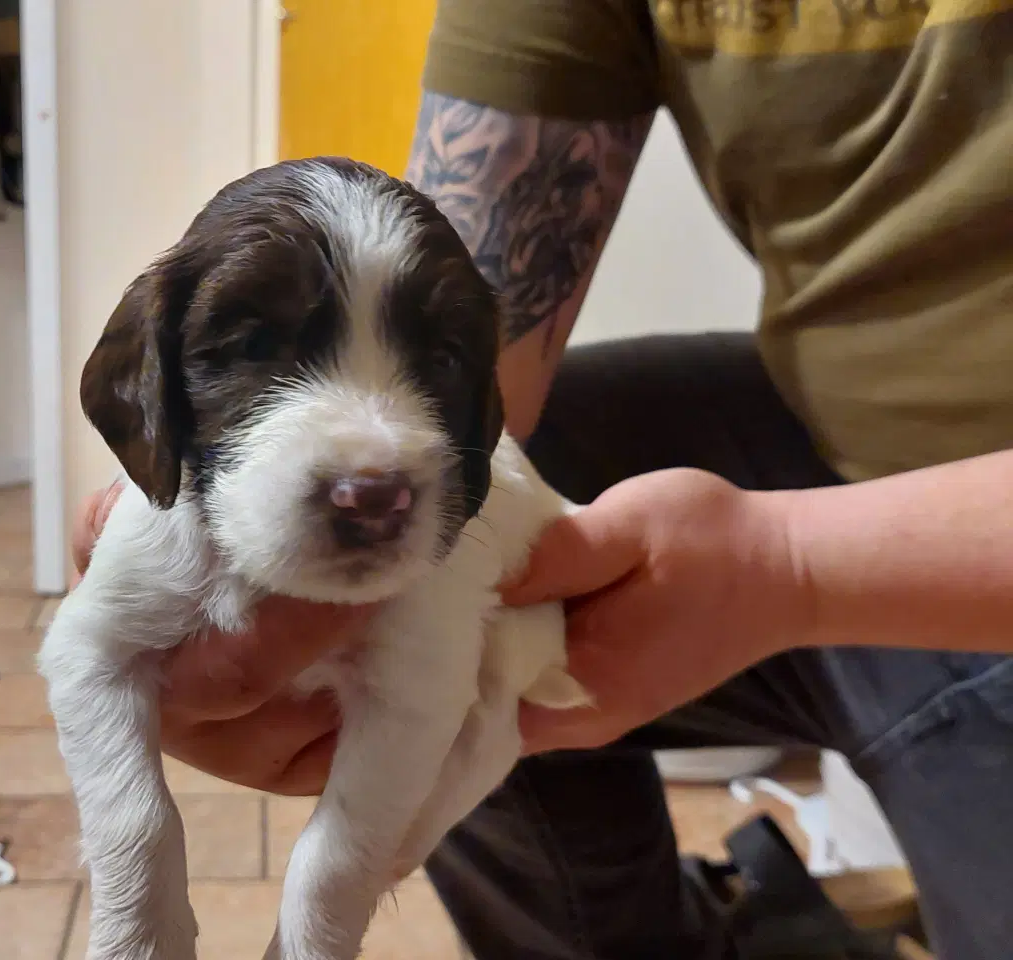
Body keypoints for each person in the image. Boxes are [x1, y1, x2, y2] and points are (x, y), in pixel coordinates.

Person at [69, 2, 1013, 956]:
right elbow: (488, 364)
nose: (369, 464)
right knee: (493, 547)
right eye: (254, 346)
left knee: (456, 630)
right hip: (815, 417)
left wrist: (789, 568)